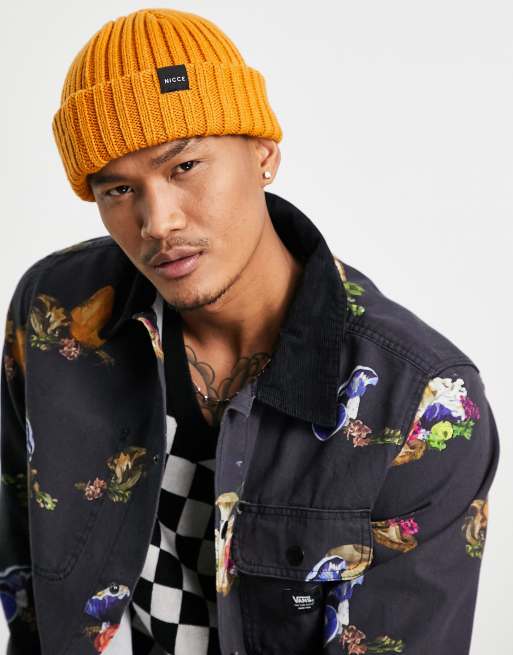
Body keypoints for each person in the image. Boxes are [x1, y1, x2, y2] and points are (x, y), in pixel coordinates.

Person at [0, 7, 500, 655]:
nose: (157, 222)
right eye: (118, 190)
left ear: (263, 154)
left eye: (183, 166)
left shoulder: (420, 403)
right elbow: (27, 582)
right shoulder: (56, 314)